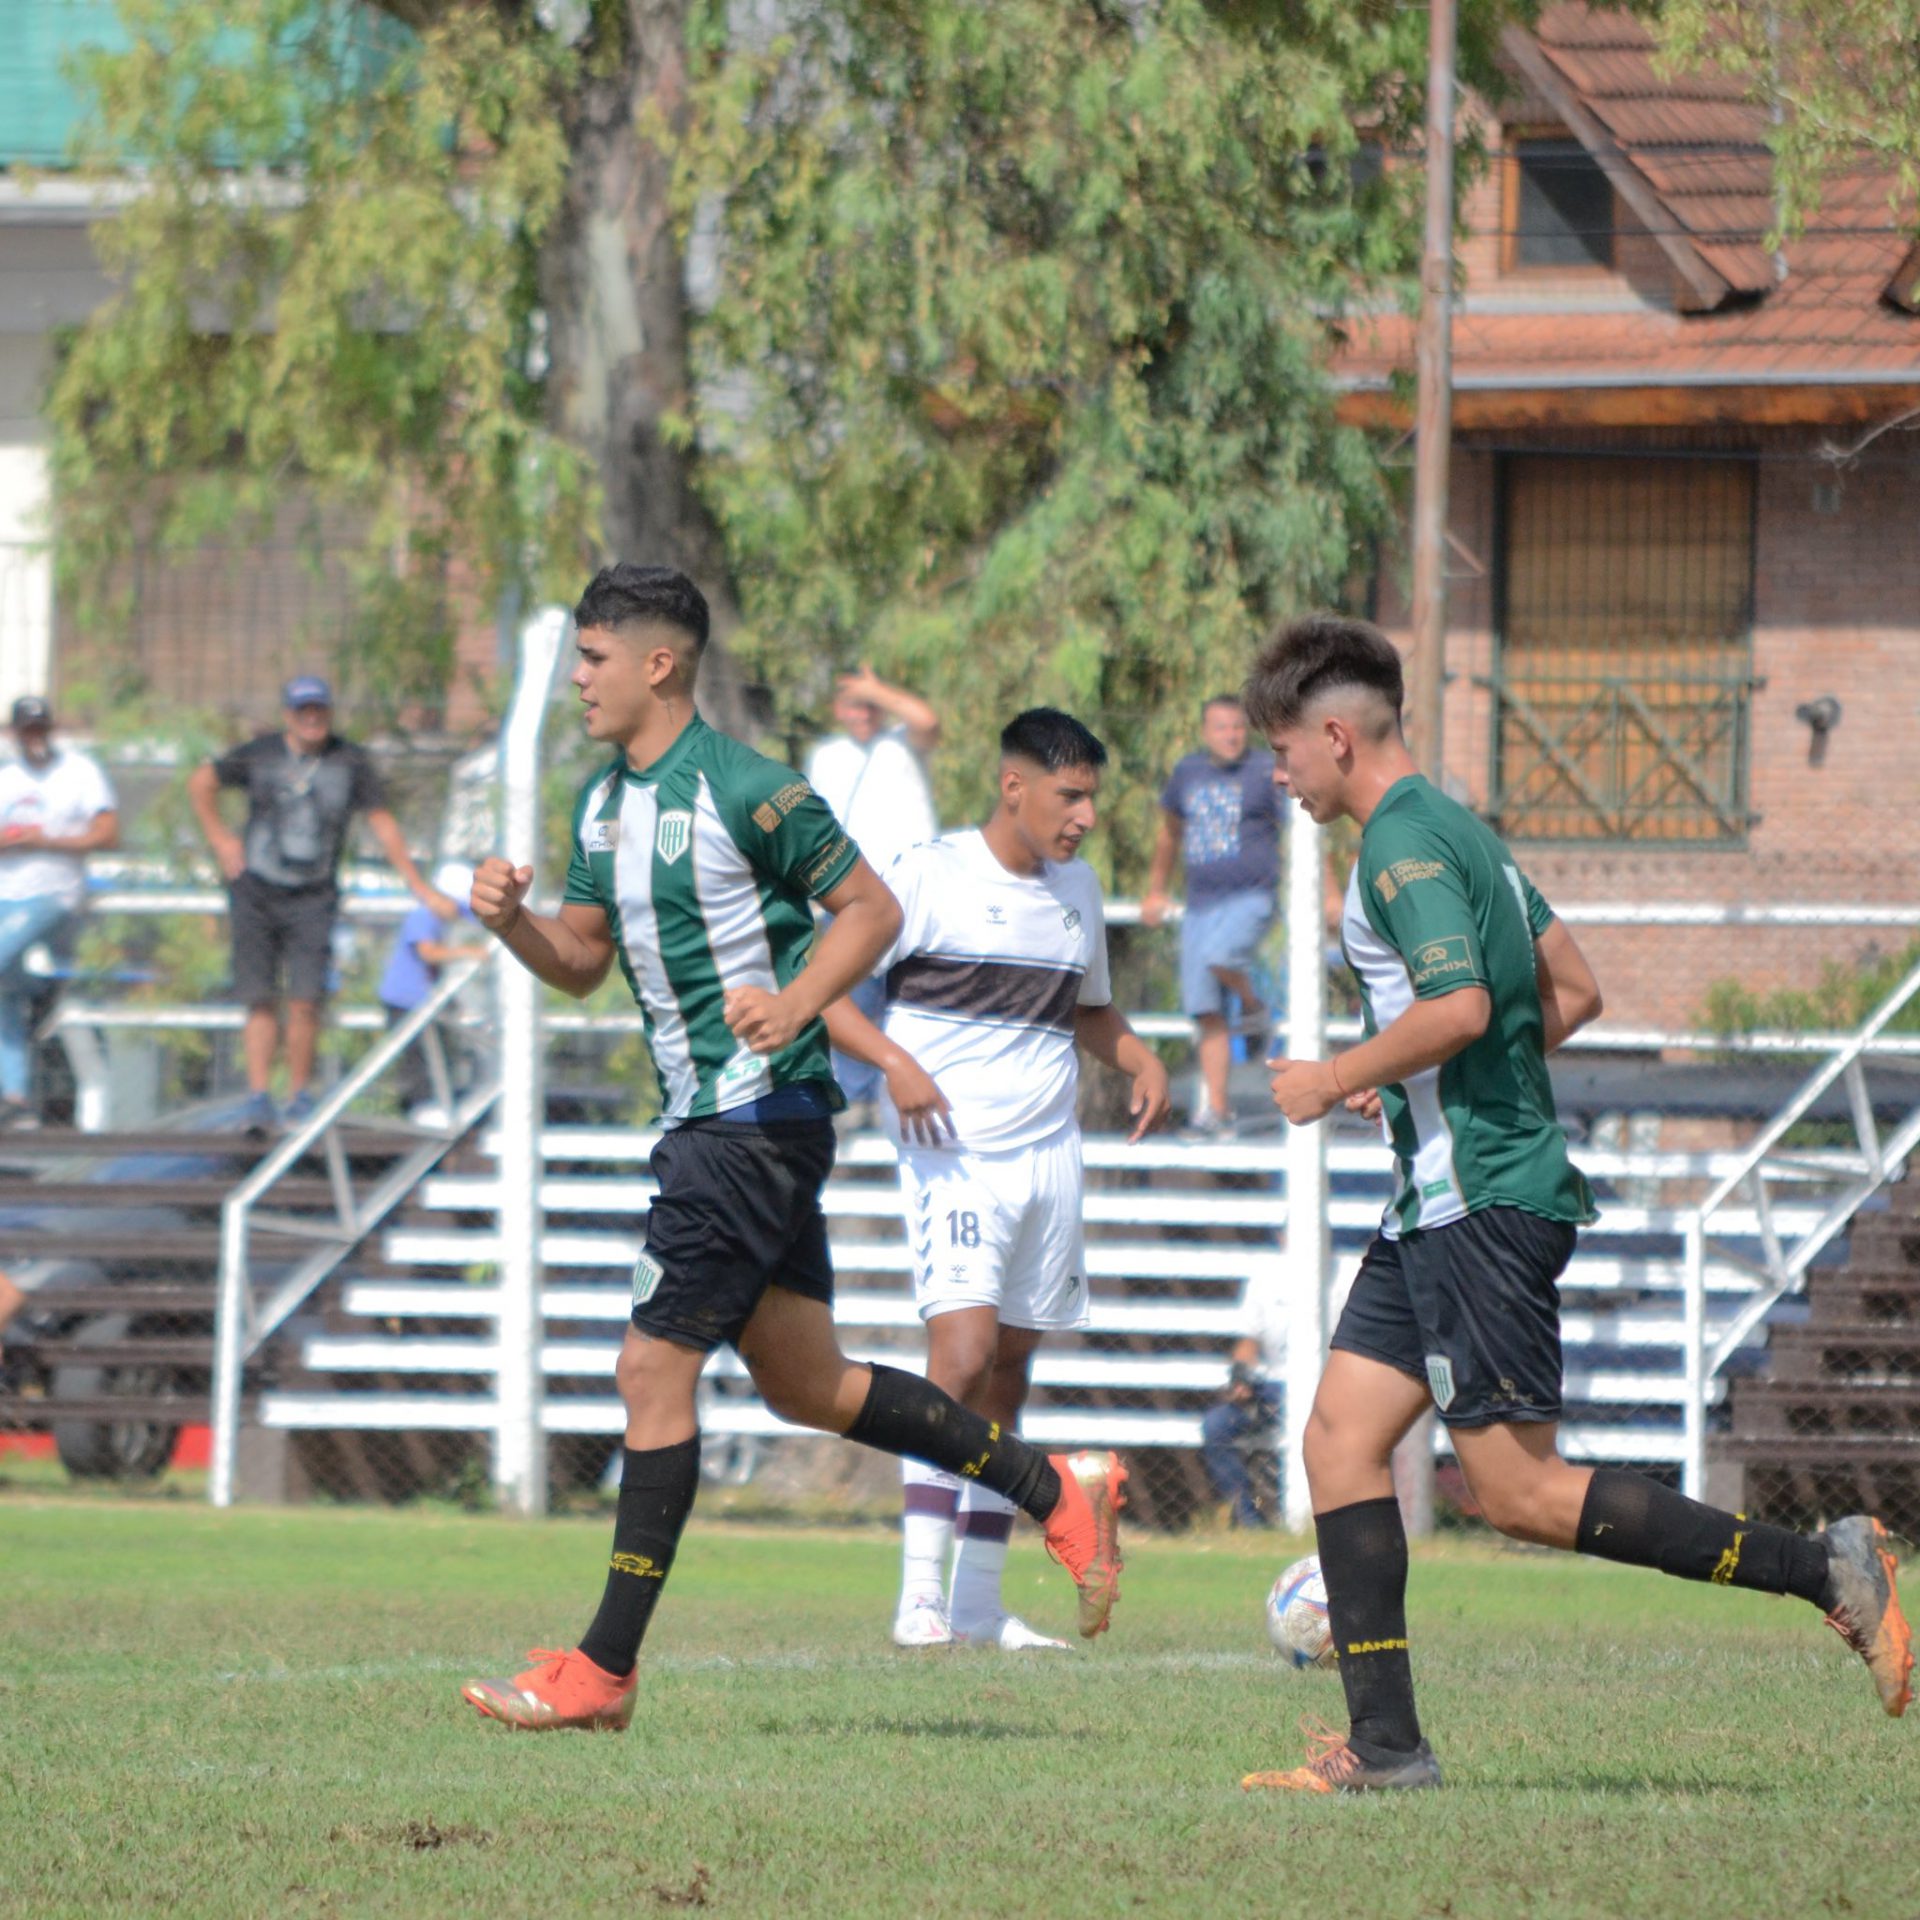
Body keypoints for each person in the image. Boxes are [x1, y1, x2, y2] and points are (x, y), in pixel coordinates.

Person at [1241, 613, 1911, 1795]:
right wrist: (1436, 1074)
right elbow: (1575, 989)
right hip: (1435, 1203)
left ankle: (1829, 1570)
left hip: (1480, 1202)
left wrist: (1340, 1073)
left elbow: (1453, 1010)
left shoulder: (1396, 850)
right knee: (1340, 1442)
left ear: (1335, 735)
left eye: (1283, 750)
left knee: (1519, 1492)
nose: (1278, 774)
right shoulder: (1465, 833)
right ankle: (1387, 1751)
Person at [456, 564, 1125, 1733]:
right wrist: (514, 921)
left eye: (593, 658)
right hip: (719, 1121)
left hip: (750, 1120)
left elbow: (871, 908)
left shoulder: (750, 790)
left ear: (659, 663)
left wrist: (800, 1000)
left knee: (649, 1372)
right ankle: (1048, 1485)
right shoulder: (602, 804)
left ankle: (603, 1671)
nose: (578, 680)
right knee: (808, 1386)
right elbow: (580, 962)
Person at [822, 708, 1172, 1652]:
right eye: (1070, 795)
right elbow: (821, 992)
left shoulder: (1079, 891)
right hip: (953, 1151)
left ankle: (978, 1601)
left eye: (1094, 797)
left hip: (1048, 1154)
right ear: (1014, 786)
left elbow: (1085, 1010)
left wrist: (1137, 1054)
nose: (1086, 816)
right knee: (962, 1357)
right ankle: (920, 1596)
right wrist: (895, 1066)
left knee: (1010, 1369)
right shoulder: (925, 875)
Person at [188, 676, 457, 1135]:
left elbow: (382, 823)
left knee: (306, 1000)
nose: (311, 719)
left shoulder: (349, 761)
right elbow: (201, 782)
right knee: (258, 999)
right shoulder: (262, 752)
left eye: (319, 710)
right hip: (256, 890)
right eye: (302, 711)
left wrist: (418, 885)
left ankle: (299, 1094)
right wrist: (220, 839)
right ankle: (258, 1096)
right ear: (288, 714)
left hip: (313, 896)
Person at [804, 665, 940, 1128]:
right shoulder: (827, 757)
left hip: (907, 894)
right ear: (838, 710)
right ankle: (857, 1098)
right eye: (853, 704)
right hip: (848, 897)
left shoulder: (901, 744)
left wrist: (877, 689)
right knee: (850, 998)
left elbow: (927, 721)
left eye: (870, 706)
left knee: (910, 996)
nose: (862, 713)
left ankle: (909, 1088)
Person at [1141, 695, 1281, 1140]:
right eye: (1222, 727)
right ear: (1205, 731)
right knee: (1206, 1012)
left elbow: (1307, 831)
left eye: (1238, 727)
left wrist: (1330, 895)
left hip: (1251, 896)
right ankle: (1217, 1113)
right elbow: (1169, 835)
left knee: (1222, 956)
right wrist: (1156, 890)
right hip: (1200, 904)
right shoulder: (1188, 773)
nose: (1231, 735)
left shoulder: (1265, 771)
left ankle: (1256, 1008)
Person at [0, 696, 120, 1128]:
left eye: (41, 729)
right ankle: (15, 1096)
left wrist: (47, 841)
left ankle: (39, 990)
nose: (36, 738)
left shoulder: (80, 772)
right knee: (3, 994)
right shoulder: (6, 777)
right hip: (6, 896)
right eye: (27, 730)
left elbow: (107, 833)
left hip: (55, 894)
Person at [376, 861, 478, 1117]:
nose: (457, 916)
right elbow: (428, 953)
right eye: (457, 908)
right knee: (417, 1059)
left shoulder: (434, 922)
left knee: (437, 1055)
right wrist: (466, 952)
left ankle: (433, 1104)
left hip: (421, 1003)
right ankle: (419, 1108)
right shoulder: (422, 916)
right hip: (404, 1002)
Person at [1200, 1260, 1286, 1529]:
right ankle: (1249, 1520)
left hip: (1328, 1386)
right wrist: (1242, 1379)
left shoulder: (1350, 1273)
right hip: (1272, 1388)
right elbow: (1248, 1342)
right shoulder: (1266, 1277)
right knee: (1216, 1426)